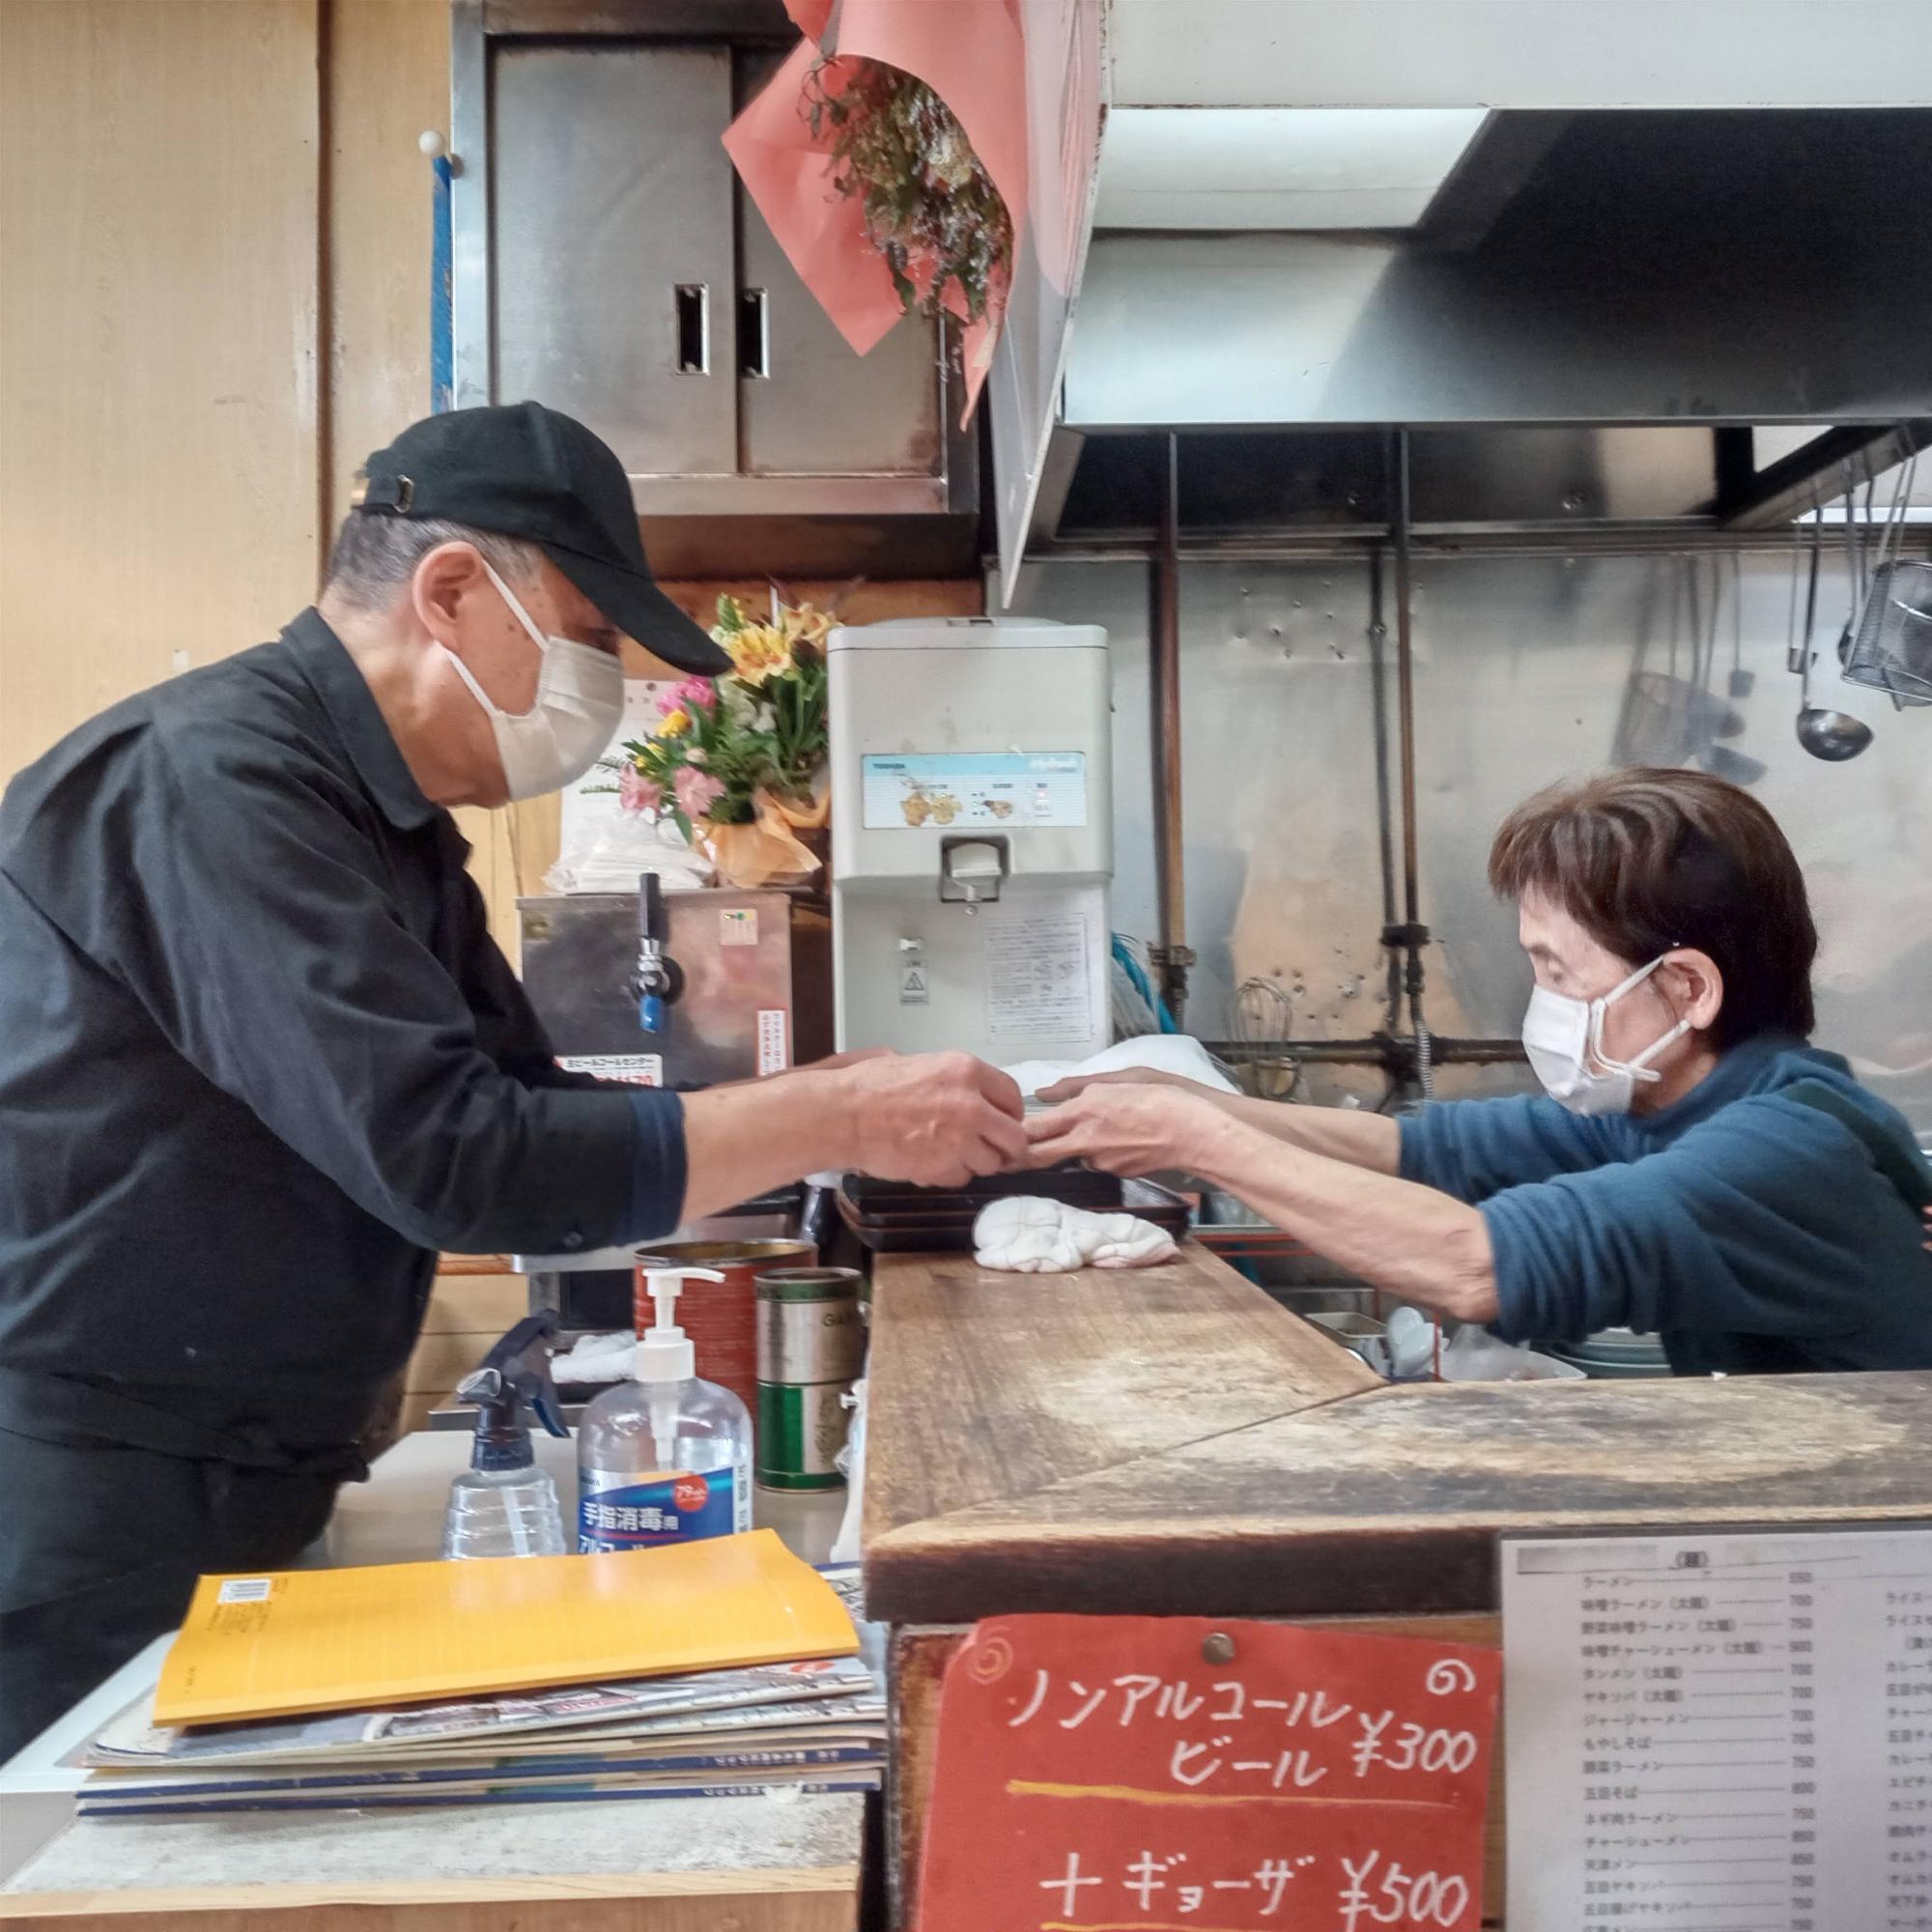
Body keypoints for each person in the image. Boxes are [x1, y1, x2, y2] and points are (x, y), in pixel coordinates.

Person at [0, 403, 1026, 1758]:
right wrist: (830, 1115)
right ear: (450, 591)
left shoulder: (394, 826)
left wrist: (832, 1110)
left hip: (235, 1468)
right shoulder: (218, 784)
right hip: (91, 1498)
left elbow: (527, 1104)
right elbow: (454, 1158)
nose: (604, 689)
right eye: (593, 640)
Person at [1030, 768, 1932, 1374]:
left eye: (1557, 970)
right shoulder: (1676, 1105)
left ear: (1687, 987)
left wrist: (1203, 1140)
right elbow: (1428, 1150)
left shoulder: (1784, 1151)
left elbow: (1477, 1267)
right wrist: (1184, 1098)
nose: (1539, 998)